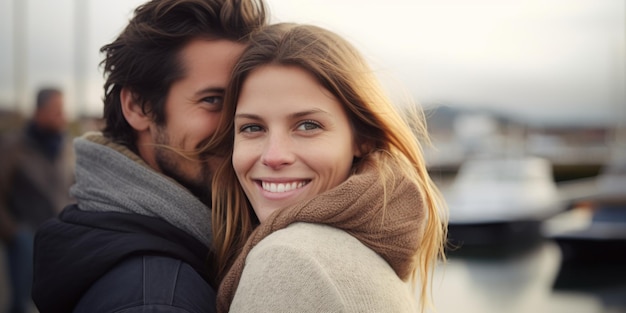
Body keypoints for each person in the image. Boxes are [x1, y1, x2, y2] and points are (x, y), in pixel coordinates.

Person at [30, 1, 267, 312]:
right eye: (213, 100)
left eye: (243, 102)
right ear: (138, 107)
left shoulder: (118, 235)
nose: (236, 128)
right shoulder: (154, 299)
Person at [208, 23, 449, 313]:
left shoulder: (287, 261)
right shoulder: (360, 251)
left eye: (308, 125)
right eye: (252, 127)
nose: (274, 156)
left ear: (362, 139)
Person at [0, 87, 73, 313]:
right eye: (56, 110)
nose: (63, 116)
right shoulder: (14, 146)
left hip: (61, 238)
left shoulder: (68, 146)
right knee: (23, 304)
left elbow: (73, 187)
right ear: (40, 111)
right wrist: (13, 232)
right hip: (26, 240)